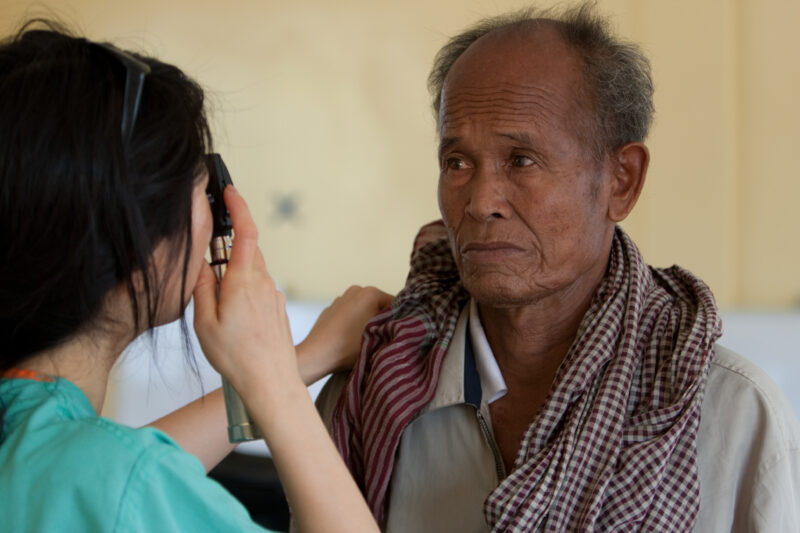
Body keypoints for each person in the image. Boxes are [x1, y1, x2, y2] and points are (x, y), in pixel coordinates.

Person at [316, 4, 800, 532]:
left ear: (621, 181)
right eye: (457, 163)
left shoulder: (728, 412)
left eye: (521, 160)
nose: (481, 202)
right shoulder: (373, 394)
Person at [0, 22, 389, 532]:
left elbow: (102, 475)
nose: (210, 225)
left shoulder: (42, 442)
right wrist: (272, 382)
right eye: (203, 194)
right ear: (136, 240)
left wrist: (301, 360)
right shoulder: (115, 482)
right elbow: (121, 483)